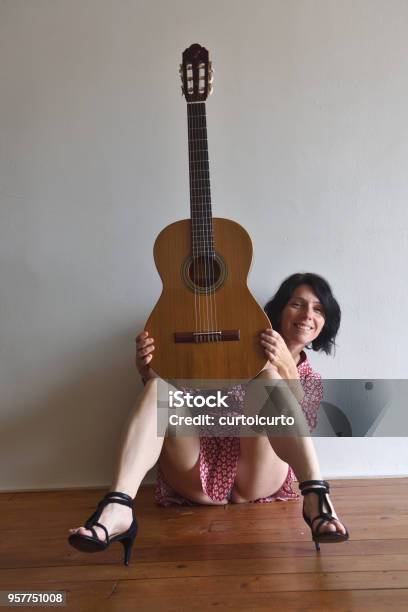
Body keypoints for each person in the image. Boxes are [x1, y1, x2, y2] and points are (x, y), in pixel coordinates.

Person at [68, 272, 349, 564]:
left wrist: (285, 371)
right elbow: (185, 398)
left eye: (318, 309)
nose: (307, 315)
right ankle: (118, 507)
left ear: (325, 323)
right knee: (160, 387)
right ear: (278, 311)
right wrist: (148, 371)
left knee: (268, 380)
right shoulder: (231, 349)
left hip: (258, 474)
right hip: (197, 470)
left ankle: (316, 497)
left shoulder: (311, 376)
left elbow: (304, 427)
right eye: (297, 304)